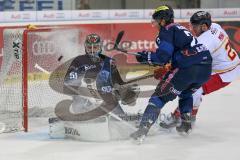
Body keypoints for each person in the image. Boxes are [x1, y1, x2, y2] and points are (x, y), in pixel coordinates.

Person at [130, 5, 212, 142]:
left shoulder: (167, 30)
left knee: (159, 97)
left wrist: (145, 57)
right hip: (205, 69)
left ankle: (142, 130)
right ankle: (186, 126)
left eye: (156, 20)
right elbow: (171, 56)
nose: (154, 23)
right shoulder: (180, 28)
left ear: (163, 20)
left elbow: (163, 56)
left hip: (187, 68)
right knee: (186, 93)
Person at [49, 34, 140, 141]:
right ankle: (79, 122)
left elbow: (117, 83)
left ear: (100, 47)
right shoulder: (78, 61)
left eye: (95, 47)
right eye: (89, 47)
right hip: (85, 101)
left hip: (108, 101)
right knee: (81, 105)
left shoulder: (109, 62)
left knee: (122, 125)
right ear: (85, 47)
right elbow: (69, 82)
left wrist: (124, 92)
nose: (92, 50)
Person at [159, 11, 240, 129]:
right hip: (223, 65)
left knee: (194, 90)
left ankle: (183, 118)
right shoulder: (215, 26)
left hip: (226, 72)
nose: (192, 29)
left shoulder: (206, 41)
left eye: (194, 27)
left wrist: (171, 67)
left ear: (204, 26)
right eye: (191, 26)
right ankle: (184, 117)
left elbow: (190, 61)